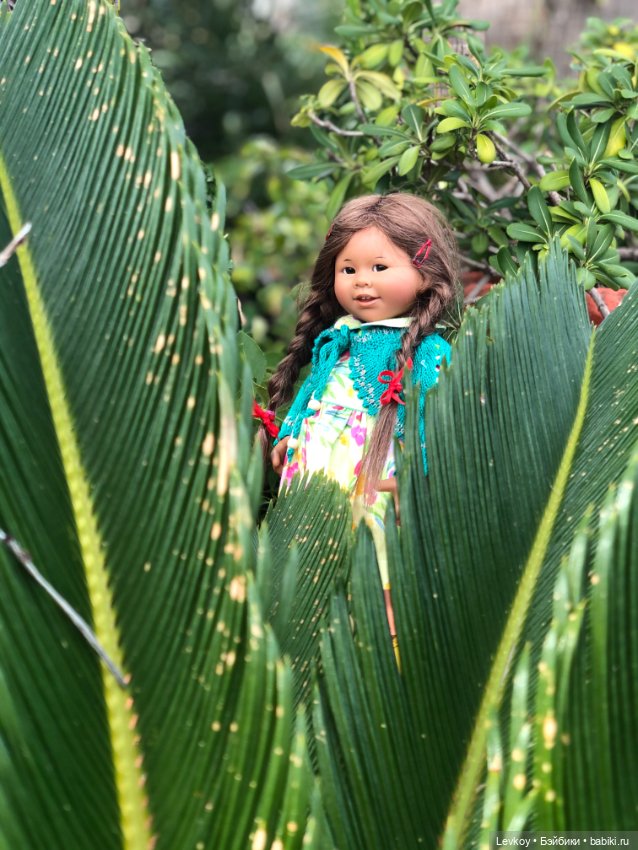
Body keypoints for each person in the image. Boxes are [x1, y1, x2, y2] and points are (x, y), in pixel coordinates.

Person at [255, 193, 459, 652]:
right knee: (310, 571)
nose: (362, 282)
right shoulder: (337, 339)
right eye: (349, 270)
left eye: (379, 268)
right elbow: (313, 395)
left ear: (425, 273)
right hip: (314, 480)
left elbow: (433, 417)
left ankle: (379, 644)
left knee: (374, 568)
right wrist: (289, 434)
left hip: (375, 483)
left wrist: (415, 470)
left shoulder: (428, 354)